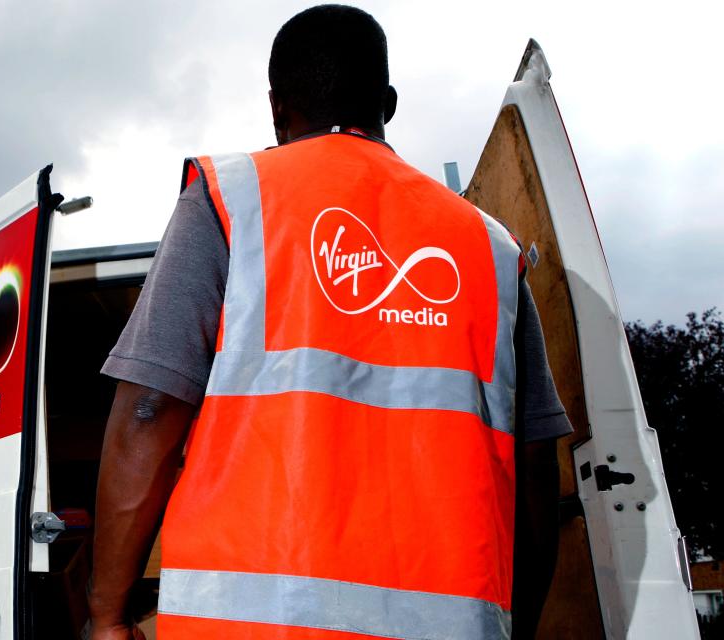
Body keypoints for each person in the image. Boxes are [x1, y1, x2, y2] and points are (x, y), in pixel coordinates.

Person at [85, 5, 571, 639]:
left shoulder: (232, 198)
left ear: (276, 106)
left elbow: (150, 406)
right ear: (387, 103)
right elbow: (535, 468)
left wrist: (106, 615)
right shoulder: (489, 247)